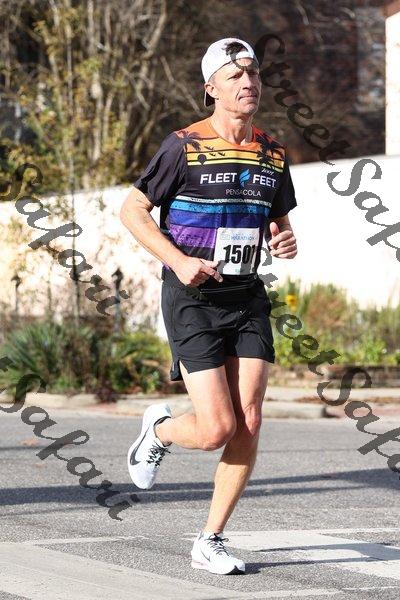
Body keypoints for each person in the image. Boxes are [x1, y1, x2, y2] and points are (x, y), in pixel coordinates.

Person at [120, 37, 297, 575]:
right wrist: (177, 261)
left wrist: (284, 237)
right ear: (211, 88)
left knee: (250, 419)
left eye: (253, 73)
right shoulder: (183, 146)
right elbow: (132, 211)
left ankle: (210, 539)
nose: (248, 82)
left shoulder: (272, 152)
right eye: (235, 75)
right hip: (192, 296)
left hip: (246, 294)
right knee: (216, 428)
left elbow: (278, 221)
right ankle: (159, 430)